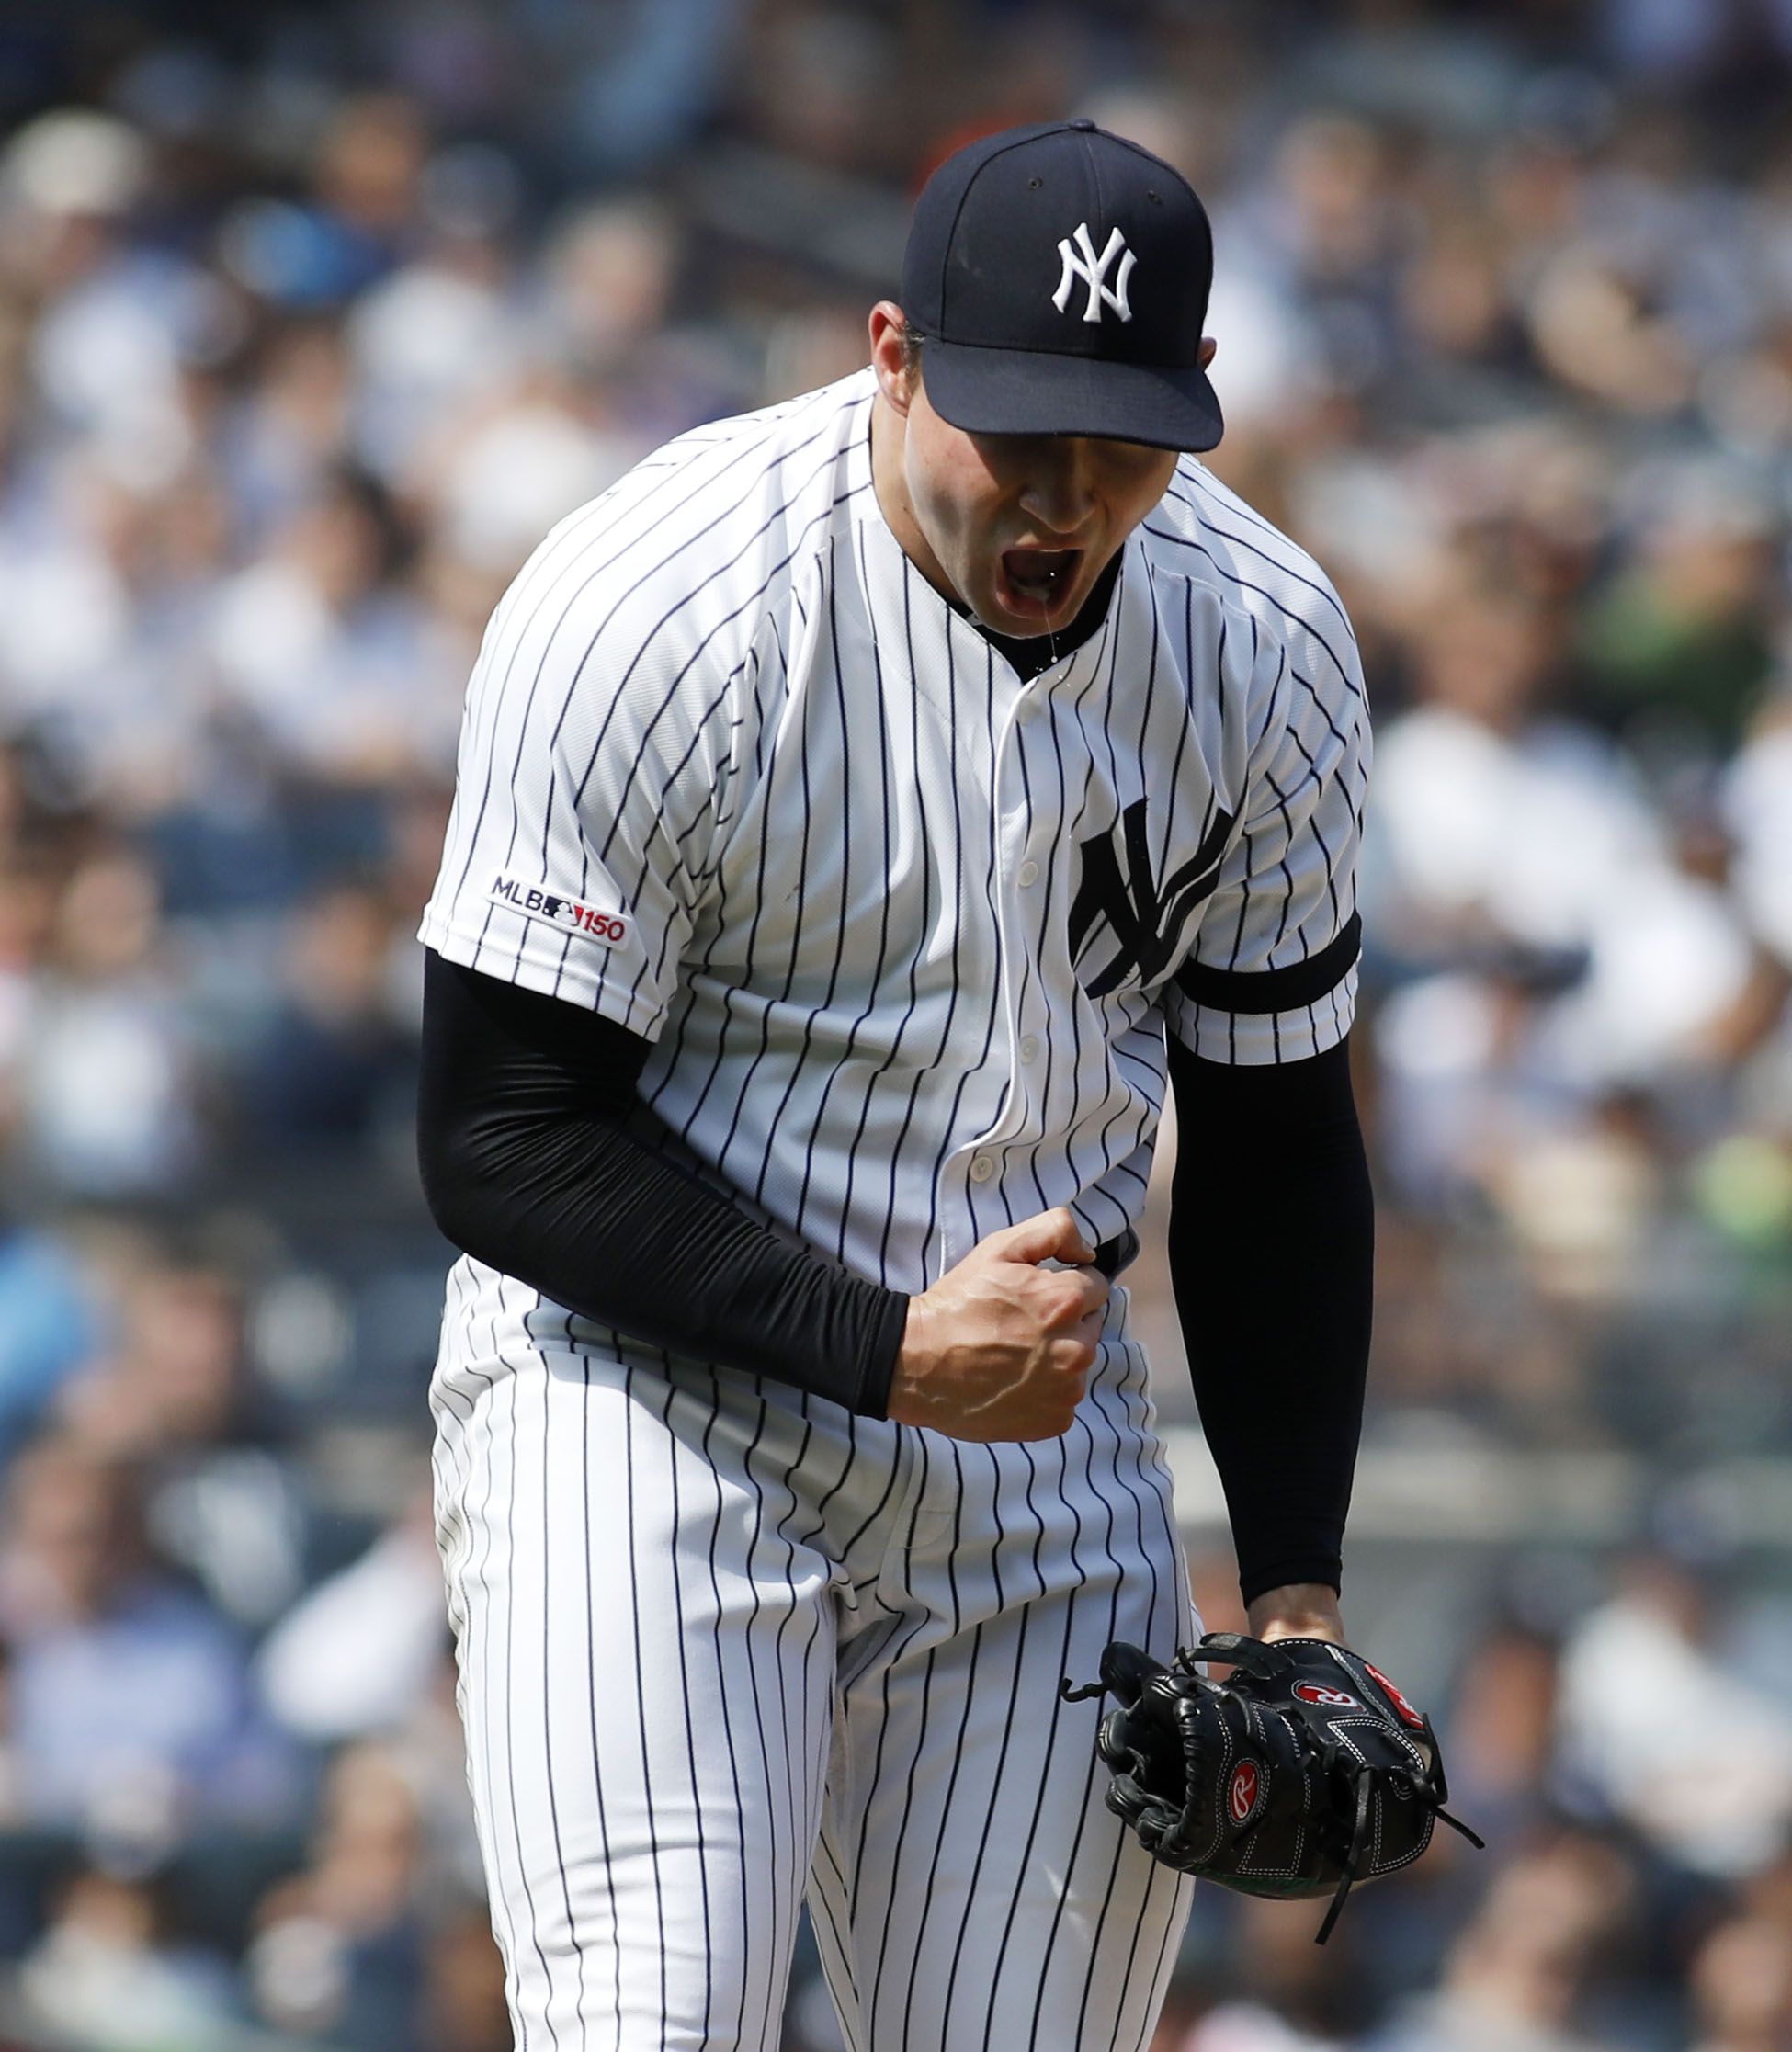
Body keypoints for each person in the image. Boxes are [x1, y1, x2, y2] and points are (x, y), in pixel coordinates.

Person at [416, 119, 1372, 2052]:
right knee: (654, 2023)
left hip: (1036, 1459)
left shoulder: (1263, 649)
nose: (1065, 495)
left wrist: (1292, 1587)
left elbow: (1276, 1143)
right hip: (652, 1401)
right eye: (1015, 431)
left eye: (1119, 444)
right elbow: (499, 1134)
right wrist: (874, 1344)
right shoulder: (659, 608)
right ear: (891, 356)